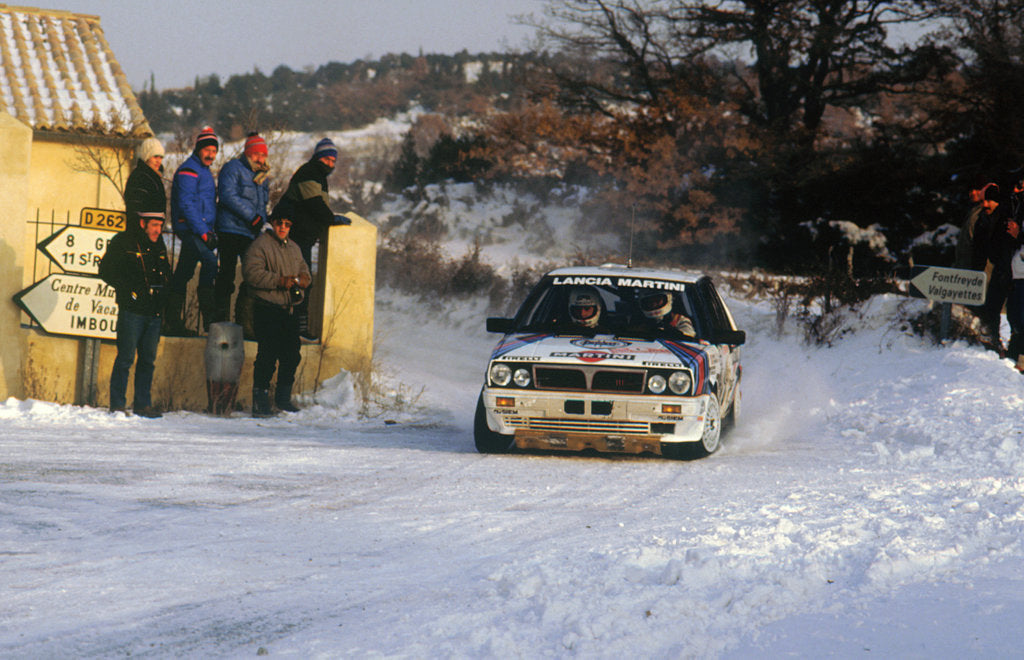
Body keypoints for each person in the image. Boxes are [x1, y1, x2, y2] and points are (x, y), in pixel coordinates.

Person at [98, 211, 172, 418]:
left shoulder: (159, 245)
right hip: (132, 311)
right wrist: (128, 291)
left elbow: (165, 272)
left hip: (154, 311)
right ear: (142, 223)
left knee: (148, 360)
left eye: (160, 225)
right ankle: (118, 405)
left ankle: (142, 404)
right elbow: (105, 271)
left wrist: (165, 294)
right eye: (154, 225)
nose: (158, 230)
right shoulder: (124, 242)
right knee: (126, 358)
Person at [277, 137, 349, 340]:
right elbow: (314, 204)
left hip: (303, 237)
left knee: (301, 282)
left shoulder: (317, 175)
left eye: (333, 161)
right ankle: (295, 328)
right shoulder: (309, 172)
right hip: (295, 238)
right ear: (318, 157)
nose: (330, 164)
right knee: (299, 282)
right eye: (326, 159)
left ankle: (296, 326)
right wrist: (331, 219)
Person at [243, 209, 312, 416]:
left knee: (292, 355)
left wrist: (301, 281)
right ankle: (260, 402)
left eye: (287, 224)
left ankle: (283, 399)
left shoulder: (294, 248)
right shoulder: (260, 245)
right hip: (266, 308)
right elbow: (251, 274)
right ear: (273, 223)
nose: (283, 227)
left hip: (289, 308)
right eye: (280, 223)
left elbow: (305, 273)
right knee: (267, 355)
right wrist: (280, 281)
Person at [214, 132, 270, 332]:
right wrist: (252, 217)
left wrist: (262, 222)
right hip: (230, 229)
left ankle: (244, 322)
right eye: (256, 154)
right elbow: (227, 195)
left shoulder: (263, 177)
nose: (260, 158)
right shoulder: (233, 168)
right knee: (226, 274)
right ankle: (220, 322)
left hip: (250, 233)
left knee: (253, 276)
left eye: (263, 155)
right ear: (247, 153)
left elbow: (263, 205)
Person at [166, 126, 219, 335]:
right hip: (190, 229)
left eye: (214, 151)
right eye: (207, 150)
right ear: (198, 149)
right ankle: (209, 319)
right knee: (210, 261)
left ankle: (172, 320)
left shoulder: (204, 171)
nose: (211, 155)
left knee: (183, 273)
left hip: (200, 229)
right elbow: (187, 204)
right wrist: (204, 232)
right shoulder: (189, 170)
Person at [124, 137, 166, 227]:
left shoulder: (154, 177)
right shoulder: (140, 178)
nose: (158, 161)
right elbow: (135, 210)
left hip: (153, 231)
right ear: (146, 157)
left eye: (161, 157)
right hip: (143, 232)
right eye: (155, 157)